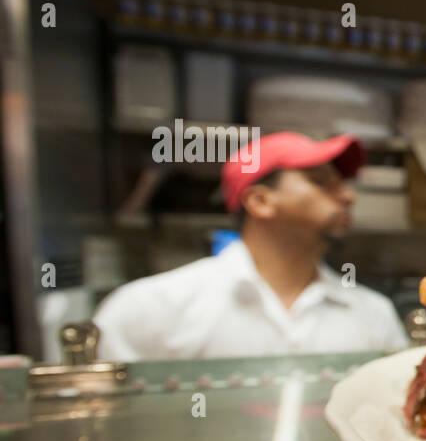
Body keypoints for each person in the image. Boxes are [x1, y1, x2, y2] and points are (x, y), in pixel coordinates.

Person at [94, 132, 409, 361]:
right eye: (319, 181)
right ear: (260, 201)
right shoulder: (148, 309)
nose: (348, 196)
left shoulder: (374, 314)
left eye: (342, 184)